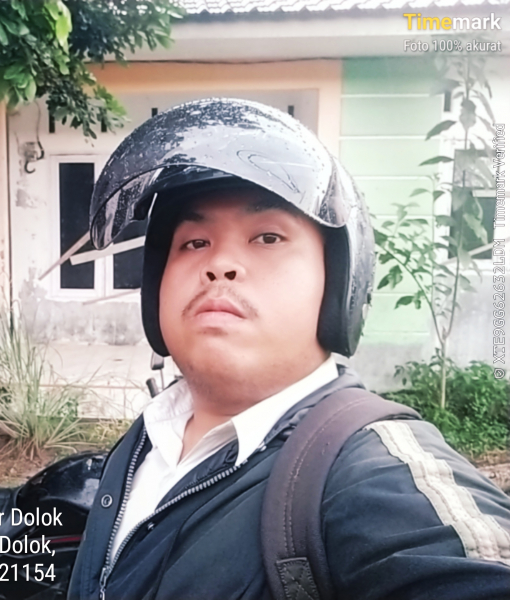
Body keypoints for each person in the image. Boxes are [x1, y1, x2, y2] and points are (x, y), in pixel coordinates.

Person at [66, 98, 510, 600]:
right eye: (195, 243)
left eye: (268, 237)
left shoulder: (372, 475)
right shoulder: (152, 434)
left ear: (337, 285)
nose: (220, 264)